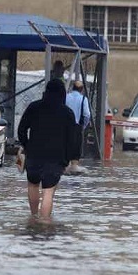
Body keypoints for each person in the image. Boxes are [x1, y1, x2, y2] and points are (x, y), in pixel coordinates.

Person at [17, 78, 76, 219]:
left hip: (34, 155)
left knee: (33, 185)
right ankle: (44, 223)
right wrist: (68, 159)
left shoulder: (34, 107)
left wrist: (27, 146)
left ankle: (33, 217)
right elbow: (72, 140)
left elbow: (21, 130)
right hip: (55, 158)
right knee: (48, 192)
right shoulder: (67, 113)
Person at [65, 80, 91, 174]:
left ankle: (65, 166)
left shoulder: (66, 97)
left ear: (73, 88)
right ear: (82, 90)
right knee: (76, 147)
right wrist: (83, 125)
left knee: (66, 145)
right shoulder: (83, 99)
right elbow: (87, 114)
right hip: (77, 126)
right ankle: (74, 166)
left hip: (66, 126)